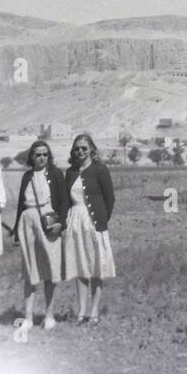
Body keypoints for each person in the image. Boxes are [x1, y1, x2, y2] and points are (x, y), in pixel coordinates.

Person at [12, 140, 67, 330]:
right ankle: (28, 317)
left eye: (45, 154)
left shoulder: (56, 174)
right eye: (38, 154)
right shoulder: (27, 176)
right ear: (31, 157)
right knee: (30, 269)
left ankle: (49, 316)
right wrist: (16, 231)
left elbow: (64, 202)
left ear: (49, 156)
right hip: (28, 221)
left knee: (50, 268)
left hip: (48, 221)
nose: (41, 158)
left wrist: (61, 224)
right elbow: (21, 203)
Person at [62, 133, 116, 323]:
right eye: (77, 149)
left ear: (91, 149)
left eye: (84, 148)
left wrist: (101, 221)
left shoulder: (100, 170)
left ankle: (94, 311)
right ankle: (82, 311)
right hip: (75, 222)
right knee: (80, 267)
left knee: (97, 267)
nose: (80, 151)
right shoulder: (70, 172)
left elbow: (110, 199)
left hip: (94, 223)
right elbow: (65, 201)